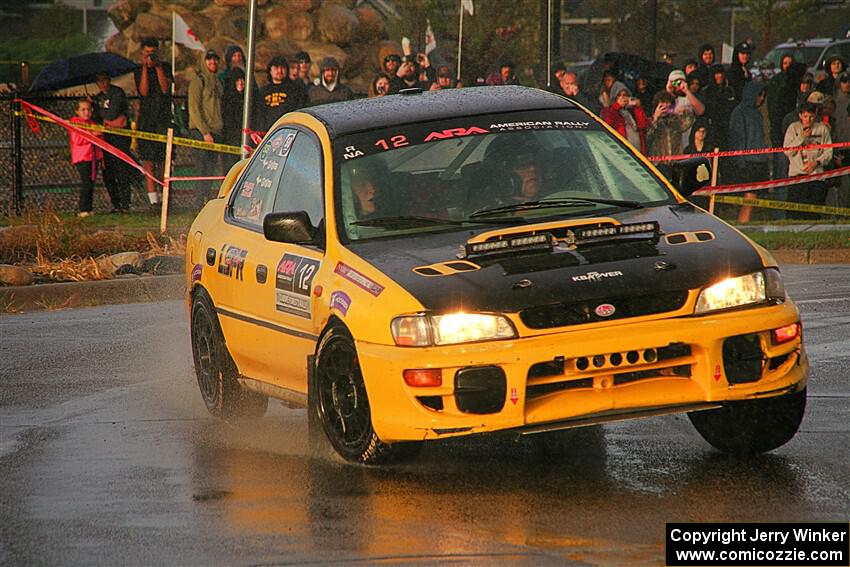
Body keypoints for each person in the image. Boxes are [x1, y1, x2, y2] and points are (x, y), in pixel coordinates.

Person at [134, 38, 172, 209]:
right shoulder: (138, 70)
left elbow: (165, 89)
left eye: (153, 53)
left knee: (164, 160)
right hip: (146, 121)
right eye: (147, 53)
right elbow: (143, 91)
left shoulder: (165, 67)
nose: (150, 56)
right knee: (148, 162)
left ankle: (165, 198)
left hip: (162, 119)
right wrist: (144, 67)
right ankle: (153, 201)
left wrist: (157, 67)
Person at [728, 81, 770, 222]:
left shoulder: (758, 114)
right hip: (748, 162)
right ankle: (743, 226)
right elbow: (738, 138)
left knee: (759, 201)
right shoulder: (739, 112)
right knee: (749, 199)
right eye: (760, 95)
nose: (762, 99)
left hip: (761, 161)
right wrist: (740, 163)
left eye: (764, 96)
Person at [188, 49, 224, 209]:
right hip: (201, 133)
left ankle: (205, 203)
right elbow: (194, 108)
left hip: (216, 132)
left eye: (215, 59)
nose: (212, 62)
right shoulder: (198, 81)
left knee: (210, 170)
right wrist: (205, 132)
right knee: (201, 171)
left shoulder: (218, 82)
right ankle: (197, 205)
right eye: (209, 59)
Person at [784, 102, 832, 218]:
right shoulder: (793, 128)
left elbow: (829, 152)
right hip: (797, 175)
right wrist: (801, 137)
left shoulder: (822, 129)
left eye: (811, 117)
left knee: (813, 212)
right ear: (800, 115)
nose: (808, 120)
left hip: (816, 176)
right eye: (805, 116)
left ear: (815, 115)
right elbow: (787, 151)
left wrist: (817, 162)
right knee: (794, 213)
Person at [92, 71, 131, 213]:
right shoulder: (97, 99)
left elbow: (113, 114)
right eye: (99, 81)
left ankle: (125, 203)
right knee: (107, 172)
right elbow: (97, 119)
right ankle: (116, 203)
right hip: (104, 139)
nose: (102, 84)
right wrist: (108, 122)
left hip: (119, 139)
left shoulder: (117, 93)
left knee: (121, 169)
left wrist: (108, 121)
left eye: (104, 80)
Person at [68, 99, 103, 217]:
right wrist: (92, 135)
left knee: (91, 183)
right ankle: (83, 208)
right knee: (86, 182)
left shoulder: (93, 123)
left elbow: (99, 142)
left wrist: (100, 157)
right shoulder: (75, 123)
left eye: (88, 109)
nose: (86, 112)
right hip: (82, 157)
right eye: (83, 110)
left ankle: (89, 207)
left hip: (93, 158)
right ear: (77, 111)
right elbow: (77, 139)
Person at [256, 55, 306, 132]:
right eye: (276, 68)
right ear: (270, 70)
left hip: (289, 130)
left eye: (282, 68)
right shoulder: (263, 92)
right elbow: (259, 115)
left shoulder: (295, 90)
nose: (279, 71)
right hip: (268, 133)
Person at [601, 83, 649, 153]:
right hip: (622, 151)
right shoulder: (609, 111)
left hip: (638, 151)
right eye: (619, 95)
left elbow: (643, 125)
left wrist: (638, 108)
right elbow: (608, 124)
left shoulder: (632, 111)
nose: (623, 98)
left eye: (625, 95)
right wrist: (617, 105)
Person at [646, 90, 694, 157]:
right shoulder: (649, 121)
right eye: (662, 105)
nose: (665, 108)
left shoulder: (675, 121)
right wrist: (655, 118)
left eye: (667, 105)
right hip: (658, 161)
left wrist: (684, 111)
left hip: (675, 160)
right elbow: (647, 138)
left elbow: (689, 122)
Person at [702, 64, 736, 150]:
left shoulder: (729, 91)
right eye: (717, 74)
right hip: (713, 130)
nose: (720, 76)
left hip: (728, 129)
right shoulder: (707, 92)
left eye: (721, 73)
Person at [221, 66, 246, 170]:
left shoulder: (249, 98)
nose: (240, 82)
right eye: (237, 80)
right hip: (230, 138)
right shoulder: (227, 99)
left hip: (244, 138)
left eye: (242, 79)